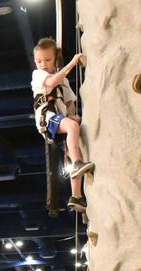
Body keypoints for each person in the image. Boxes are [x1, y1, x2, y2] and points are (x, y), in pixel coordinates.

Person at [31, 37, 93, 211]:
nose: (43, 64)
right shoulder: (39, 75)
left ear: (55, 59)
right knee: (72, 130)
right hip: (47, 116)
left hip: (60, 117)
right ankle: (78, 164)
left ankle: (77, 196)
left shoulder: (63, 82)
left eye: (48, 60)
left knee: (74, 148)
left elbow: (70, 103)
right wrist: (73, 62)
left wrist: (75, 116)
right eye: (39, 61)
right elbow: (51, 83)